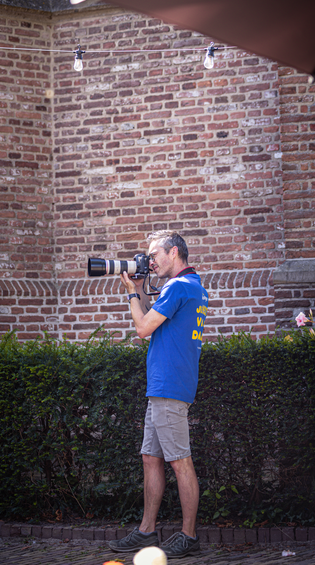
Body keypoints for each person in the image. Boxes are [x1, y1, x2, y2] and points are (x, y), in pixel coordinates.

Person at [108, 230, 209, 559]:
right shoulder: (191, 286)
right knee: (151, 458)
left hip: (169, 387)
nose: (150, 261)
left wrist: (131, 294)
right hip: (164, 387)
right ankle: (146, 531)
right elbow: (155, 323)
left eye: (155, 254)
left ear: (175, 253)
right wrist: (140, 290)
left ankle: (188, 535)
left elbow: (142, 329)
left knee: (180, 462)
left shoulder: (178, 286)